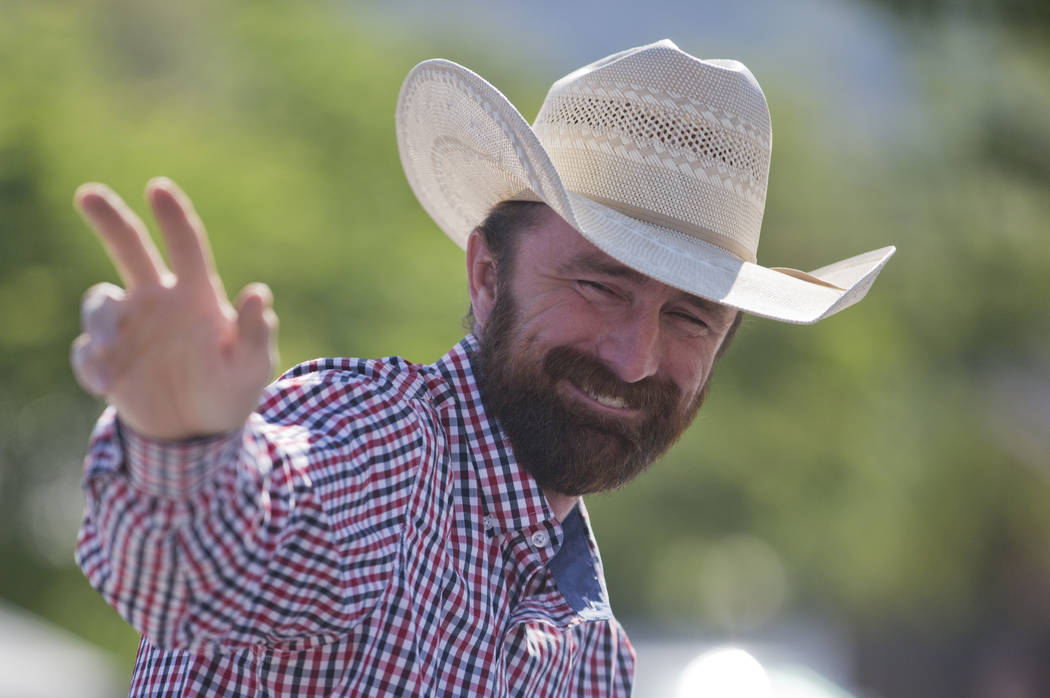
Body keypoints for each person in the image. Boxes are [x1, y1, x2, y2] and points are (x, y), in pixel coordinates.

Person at [71, 40, 894, 697]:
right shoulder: (386, 447)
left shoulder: (592, 656)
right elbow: (199, 566)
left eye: (689, 317)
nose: (633, 355)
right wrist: (183, 445)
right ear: (487, 274)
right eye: (599, 284)